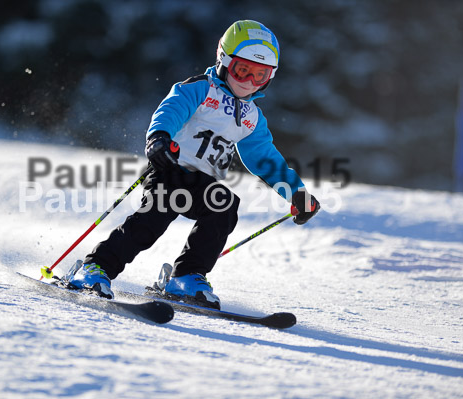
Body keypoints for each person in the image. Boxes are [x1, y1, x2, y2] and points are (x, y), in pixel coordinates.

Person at [65, 20, 320, 309]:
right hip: (170, 169)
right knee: (153, 220)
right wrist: (159, 138)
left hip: (203, 183)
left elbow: (264, 157)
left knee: (224, 205)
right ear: (224, 60)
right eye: (242, 70)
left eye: (260, 76)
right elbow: (172, 110)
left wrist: (295, 192)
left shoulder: (252, 116)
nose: (249, 81)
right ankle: (95, 268)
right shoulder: (201, 89)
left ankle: (187, 276)